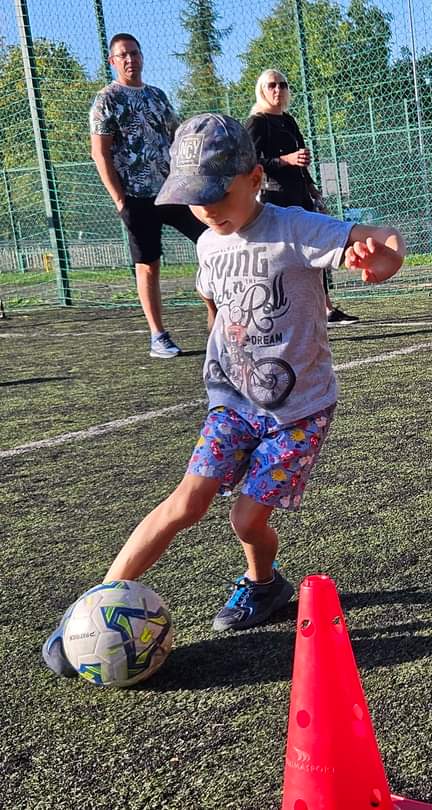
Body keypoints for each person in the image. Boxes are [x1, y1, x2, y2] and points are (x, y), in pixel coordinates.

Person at [41, 113, 405, 677]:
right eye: (192, 197)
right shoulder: (209, 245)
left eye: (216, 193)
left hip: (297, 412)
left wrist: (378, 261)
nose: (206, 208)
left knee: (244, 520)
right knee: (186, 502)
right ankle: (90, 614)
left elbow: (379, 241)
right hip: (231, 403)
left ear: (255, 177)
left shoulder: (296, 227)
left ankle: (264, 585)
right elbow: (217, 308)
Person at [90, 33, 207, 358]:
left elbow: (178, 136)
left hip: (172, 190)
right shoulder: (106, 100)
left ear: (142, 57)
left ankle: (217, 317)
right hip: (136, 197)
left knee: (212, 241)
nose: (130, 59)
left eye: (135, 53)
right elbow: (100, 153)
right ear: (113, 62)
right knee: (148, 264)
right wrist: (119, 199)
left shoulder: (157, 96)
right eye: (123, 55)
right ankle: (158, 336)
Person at [245, 69, 360, 326]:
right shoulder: (257, 122)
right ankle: (272, 309)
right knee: (277, 257)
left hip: (298, 195)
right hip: (273, 197)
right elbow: (250, 161)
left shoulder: (288, 120)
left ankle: (326, 309)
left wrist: (312, 189)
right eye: (272, 85)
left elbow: (300, 160)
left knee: (316, 251)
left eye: (283, 85)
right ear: (262, 90)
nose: (278, 90)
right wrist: (283, 160)